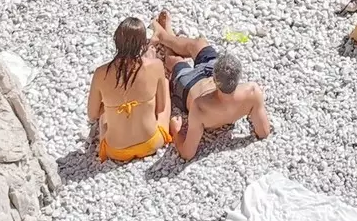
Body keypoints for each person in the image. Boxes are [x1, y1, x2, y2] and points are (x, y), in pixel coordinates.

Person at [148, 12, 272, 162]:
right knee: (199, 43)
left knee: (174, 61)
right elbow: (263, 131)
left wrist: (176, 131)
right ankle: (165, 35)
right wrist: (251, 110)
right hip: (212, 72)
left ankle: (164, 34)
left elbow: (187, 153)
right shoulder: (252, 92)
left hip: (190, 85)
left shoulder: (201, 106)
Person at [86, 17, 171, 163]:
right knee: (165, 82)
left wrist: (112, 106)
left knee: (104, 117)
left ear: (116, 41)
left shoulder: (101, 73)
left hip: (116, 151)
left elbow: (92, 114)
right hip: (150, 144)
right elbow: (160, 108)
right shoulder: (156, 66)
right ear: (143, 44)